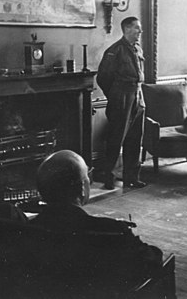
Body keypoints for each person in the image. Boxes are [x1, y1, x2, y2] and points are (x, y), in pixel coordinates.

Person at [31, 150, 162, 290]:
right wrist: (122, 232)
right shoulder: (114, 232)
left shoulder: (29, 229)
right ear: (82, 188)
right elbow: (150, 261)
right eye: (87, 176)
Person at [97, 16, 146, 190]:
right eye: (137, 28)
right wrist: (115, 96)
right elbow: (103, 77)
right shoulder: (115, 50)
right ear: (126, 29)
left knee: (135, 139)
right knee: (116, 139)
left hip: (138, 95)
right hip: (122, 96)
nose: (140, 32)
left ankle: (131, 177)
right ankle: (109, 178)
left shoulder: (137, 49)